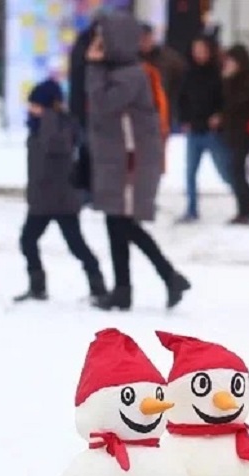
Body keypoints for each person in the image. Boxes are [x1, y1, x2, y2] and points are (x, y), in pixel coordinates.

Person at [85, 9, 191, 310]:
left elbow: (103, 104)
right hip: (119, 158)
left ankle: (166, 277)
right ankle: (126, 288)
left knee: (122, 223)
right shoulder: (117, 72)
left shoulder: (130, 75)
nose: (97, 43)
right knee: (115, 220)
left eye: (101, 37)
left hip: (131, 161)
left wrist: (93, 67)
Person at [15, 78, 106, 304]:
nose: (31, 109)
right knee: (28, 241)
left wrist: (48, 116)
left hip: (61, 199)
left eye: (36, 104)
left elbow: (57, 146)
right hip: (42, 198)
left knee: (76, 246)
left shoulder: (61, 125)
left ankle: (98, 287)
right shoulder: (39, 126)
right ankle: (37, 286)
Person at [176, 35, 228, 223]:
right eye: (196, 49)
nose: (198, 53)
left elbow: (225, 99)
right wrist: (184, 120)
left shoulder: (218, 73)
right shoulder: (189, 73)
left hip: (212, 131)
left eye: (202, 49)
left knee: (225, 171)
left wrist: (219, 116)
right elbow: (181, 99)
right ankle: (191, 209)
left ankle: (245, 199)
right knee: (190, 172)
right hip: (194, 130)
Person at [220, 44, 249, 225]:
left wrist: (228, 82)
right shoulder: (230, 79)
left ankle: (248, 206)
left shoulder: (247, 81)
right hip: (232, 132)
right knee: (235, 171)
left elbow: (239, 104)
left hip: (243, 133)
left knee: (236, 171)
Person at [138, 22, 187, 130]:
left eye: (147, 37)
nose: (144, 42)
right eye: (141, 38)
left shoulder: (170, 59)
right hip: (138, 113)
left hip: (164, 111)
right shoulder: (131, 59)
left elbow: (183, 80)